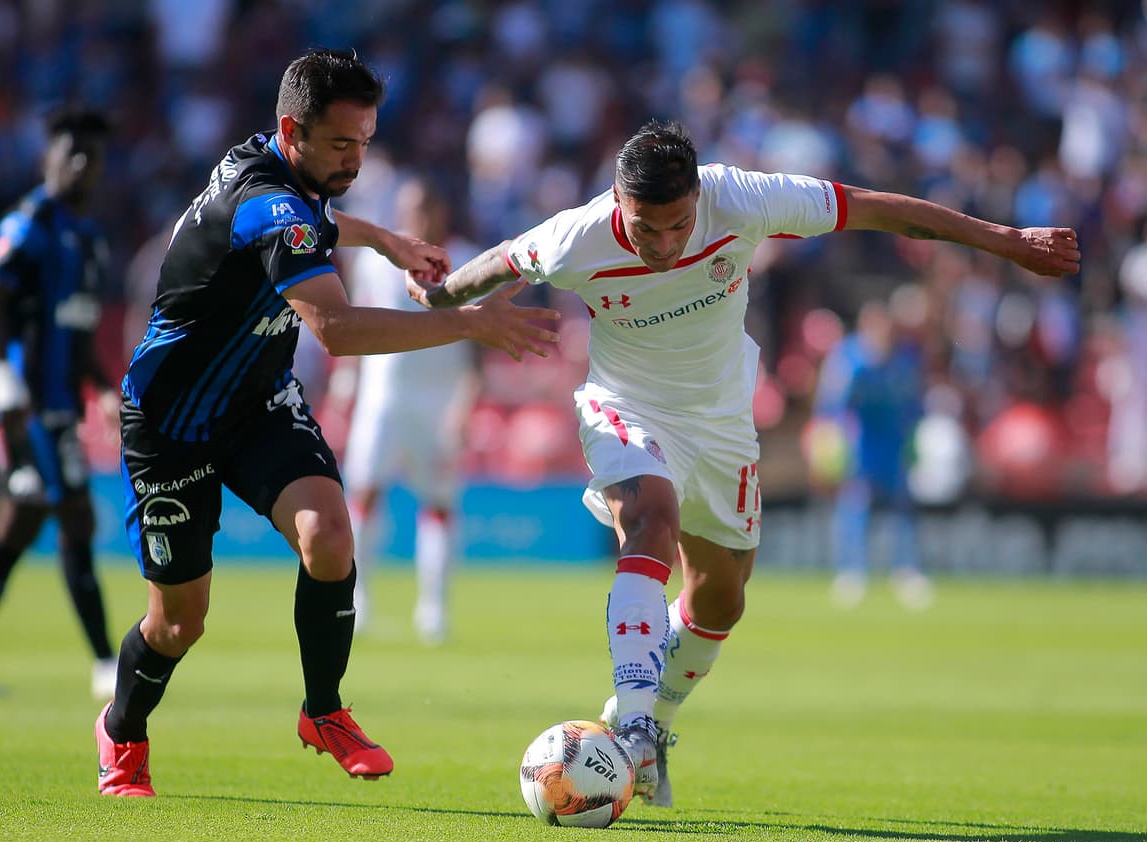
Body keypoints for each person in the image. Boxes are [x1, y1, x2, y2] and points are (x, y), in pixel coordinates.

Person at [407, 120, 1080, 807]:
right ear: (617, 201)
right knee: (651, 520)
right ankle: (636, 719)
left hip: (723, 424)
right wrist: (437, 295)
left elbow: (879, 207)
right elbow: (496, 265)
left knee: (722, 598)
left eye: (678, 226)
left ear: (698, 196)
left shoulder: (744, 198)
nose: (665, 245)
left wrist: (1005, 242)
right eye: (647, 229)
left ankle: (650, 726)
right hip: (627, 407)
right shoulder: (575, 236)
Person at [96, 48, 558, 797]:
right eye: (342, 145)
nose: (355, 159)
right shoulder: (263, 199)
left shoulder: (286, 173)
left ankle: (324, 709)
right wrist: (470, 323)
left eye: (366, 142)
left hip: (256, 404)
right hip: (170, 422)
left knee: (330, 536)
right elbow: (337, 329)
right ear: (293, 130)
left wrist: (388, 240)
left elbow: (320, 219)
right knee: (179, 623)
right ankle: (122, 729)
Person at [0, 106, 122, 701]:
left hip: (63, 400)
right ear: (48, 161)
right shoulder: (32, 221)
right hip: (29, 406)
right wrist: (1, 375)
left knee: (19, 525)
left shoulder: (89, 241)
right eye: (72, 153)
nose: (84, 163)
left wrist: (104, 386)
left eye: (93, 154)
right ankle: (108, 664)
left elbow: (78, 331)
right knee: (77, 518)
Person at [332, 176, 480, 644]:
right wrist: (344, 386)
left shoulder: (470, 259)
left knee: (438, 503)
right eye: (409, 210)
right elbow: (354, 325)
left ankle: (433, 608)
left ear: (441, 214)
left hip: (439, 399)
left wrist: (466, 402)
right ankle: (359, 599)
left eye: (425, 210)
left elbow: (480, 343)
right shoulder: (375, 263)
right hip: (383, 400)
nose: (417, 219)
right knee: (365, 494)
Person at [809, 295, 933, 610]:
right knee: (856, 504)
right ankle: (851, 573)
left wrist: (912, 441)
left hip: (892, 440)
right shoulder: (849, 359)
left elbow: (914, 403)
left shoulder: (904, 360)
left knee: (902, 506)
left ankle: (906, 570)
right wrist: (831, 444)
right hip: (860, 441)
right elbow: (831, 406)